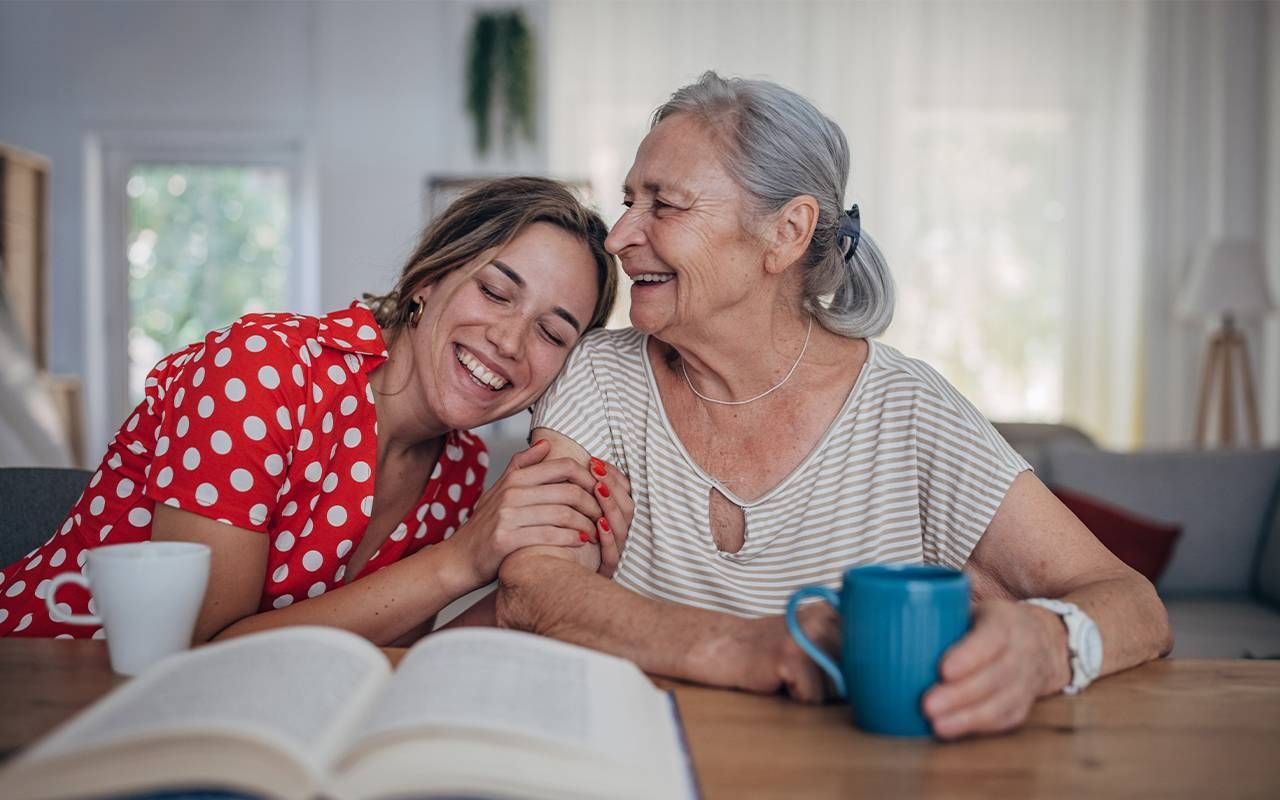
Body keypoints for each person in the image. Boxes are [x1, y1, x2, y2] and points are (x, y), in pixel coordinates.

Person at [488, 74, 1173, 739]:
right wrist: (744, 648)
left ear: (786, 233)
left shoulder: (909, 410)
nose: (619, 236)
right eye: (629, 199)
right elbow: (536, 584)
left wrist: (1046, 644)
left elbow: (1130, 601)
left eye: (663, 205)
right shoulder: (599, 375)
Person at [0, 176, 630, 645]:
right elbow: (206, 655)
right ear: (428, 279)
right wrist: (465, 558)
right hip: (48, 687)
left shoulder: (459, 470)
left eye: (553, 334)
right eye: (495, 291)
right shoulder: (260, 370)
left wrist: (545, 586)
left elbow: (371, 652)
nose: (511, 342)